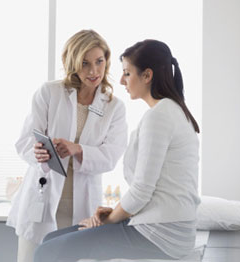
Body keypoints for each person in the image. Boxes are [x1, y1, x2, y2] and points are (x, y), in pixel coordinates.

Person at [34, 39, 201, 262]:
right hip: (164, 226)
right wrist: (114, 212)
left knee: (47, 251)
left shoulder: (159, 116)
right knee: (51, 240)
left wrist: (110, 219)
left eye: (127, 74)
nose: (121, 80)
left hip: (161, 235)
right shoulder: (172, 111)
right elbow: (154, 188)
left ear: (147, 76)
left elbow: (142, 189)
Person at [6, 29, 128, 262]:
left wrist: (78, 149)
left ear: (107, 60)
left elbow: (111, 156)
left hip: (82, 201)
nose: (94, 71)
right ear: (73, 62)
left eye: (99, 61)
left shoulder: (114, 107)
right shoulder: (50, 92)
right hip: (43, 197)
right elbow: (24, 142)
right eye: (85, 63)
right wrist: (38, 153)